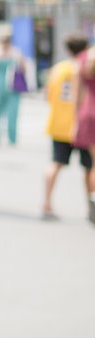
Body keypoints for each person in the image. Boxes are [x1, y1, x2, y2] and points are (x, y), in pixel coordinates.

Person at [42, 36, 92, 221]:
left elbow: (48, 94)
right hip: (83, 124)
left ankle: (46, 202)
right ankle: (90, 205)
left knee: (56, 162)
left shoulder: (58, 68)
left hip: (59, 123)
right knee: (88, 167)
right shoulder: (86, 68)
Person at [0, 35, 29, 146]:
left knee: (12, 112)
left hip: (12, 85)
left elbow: (23, 68)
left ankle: (11, 137)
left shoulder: (16, 52)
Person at [72, 42, 95, 225]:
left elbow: (77, 94)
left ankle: (91, 204)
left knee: (91, 165)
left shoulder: (83, 59)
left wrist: (75, 122)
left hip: (88, 112)